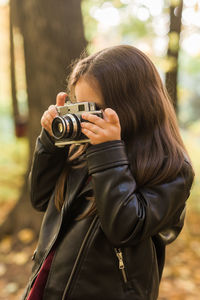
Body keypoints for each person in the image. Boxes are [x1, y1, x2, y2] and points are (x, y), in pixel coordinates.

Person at [22, 45, 194, 300]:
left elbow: (124, 228)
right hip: (49, 287)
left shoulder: (170, 169)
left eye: (93, 110)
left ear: (133, 105)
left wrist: (109, 153)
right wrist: (51, 143)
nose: (83, 120)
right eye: (78, 107)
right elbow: (40, 199)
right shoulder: (81, 152)